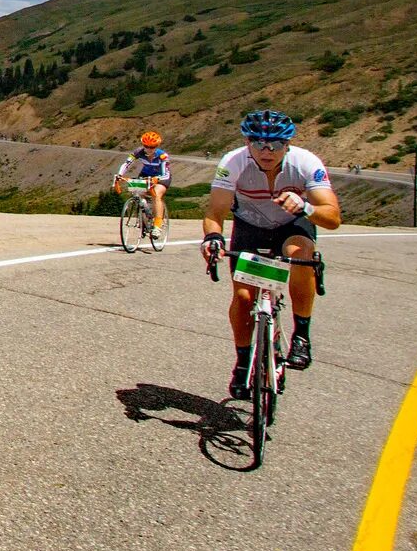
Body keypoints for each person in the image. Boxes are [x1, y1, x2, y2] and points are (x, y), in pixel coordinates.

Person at [202, 109, 340, 397]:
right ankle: (242, 364)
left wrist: (306, 208)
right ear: (246, 141)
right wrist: (213, 237)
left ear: (287, 144)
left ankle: (301, 334)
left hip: (291, 224)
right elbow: (216, 210)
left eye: (276, 145)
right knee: (243, 298)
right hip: (250, 226)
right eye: (258, 143)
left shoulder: (306, 163)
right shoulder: (233, 162)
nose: (267, 151)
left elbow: (333, 218)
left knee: (300, 253)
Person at [114, 131, 172, 231]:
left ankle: (158, 225)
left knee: (156, 195)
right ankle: (144, 218)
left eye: (152, 147)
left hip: (161, 177)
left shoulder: (163, 156)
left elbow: (165, 174)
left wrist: (157, 179)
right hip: (145, 175)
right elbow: (126, 164)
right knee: (138, 194)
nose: (149, 149)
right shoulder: (138, 152)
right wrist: (119, 174)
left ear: (157, 146)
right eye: (146, 146)